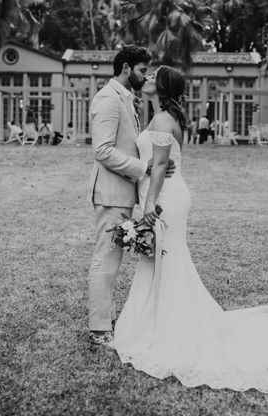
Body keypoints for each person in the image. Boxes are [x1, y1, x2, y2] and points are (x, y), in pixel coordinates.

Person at [111, 65, 268, 393]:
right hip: (160, 193)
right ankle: (152, 322)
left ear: (161, 86)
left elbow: (162, 164)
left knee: (170, 259)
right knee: (159, 260)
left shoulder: (163, 120)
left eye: (152, 77)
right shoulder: (156, 115)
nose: (146, 79)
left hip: (166, 199)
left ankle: (173, 330)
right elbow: (155, 161)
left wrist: (149, 204)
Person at [87, 45, 174, 347]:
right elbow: (102, 150)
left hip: (124, 193)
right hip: (110, 193)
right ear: (125, 68)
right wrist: (143, 166)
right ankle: (99, 330)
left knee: (113, 259)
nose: (144, 75)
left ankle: (108, 320)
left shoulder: (127, 99)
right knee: (106, 260)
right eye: (140, 70)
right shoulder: (108, 99)